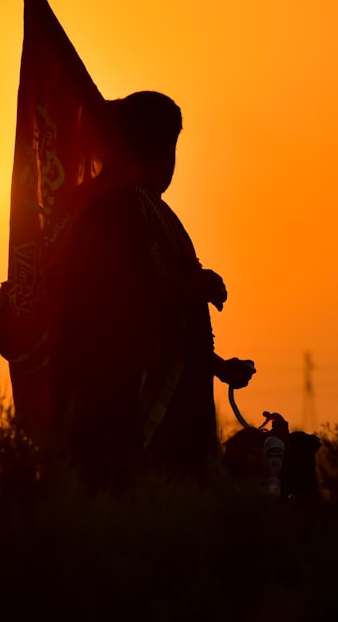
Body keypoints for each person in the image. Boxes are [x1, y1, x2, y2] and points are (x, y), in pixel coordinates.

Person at [50, 91, 255, 484]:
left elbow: (168, 329)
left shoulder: (146, 208)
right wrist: (188, 288)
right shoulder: (115, 211)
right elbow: (111, 304)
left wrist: (216, 366)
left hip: (173, 417)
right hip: (127, 415)